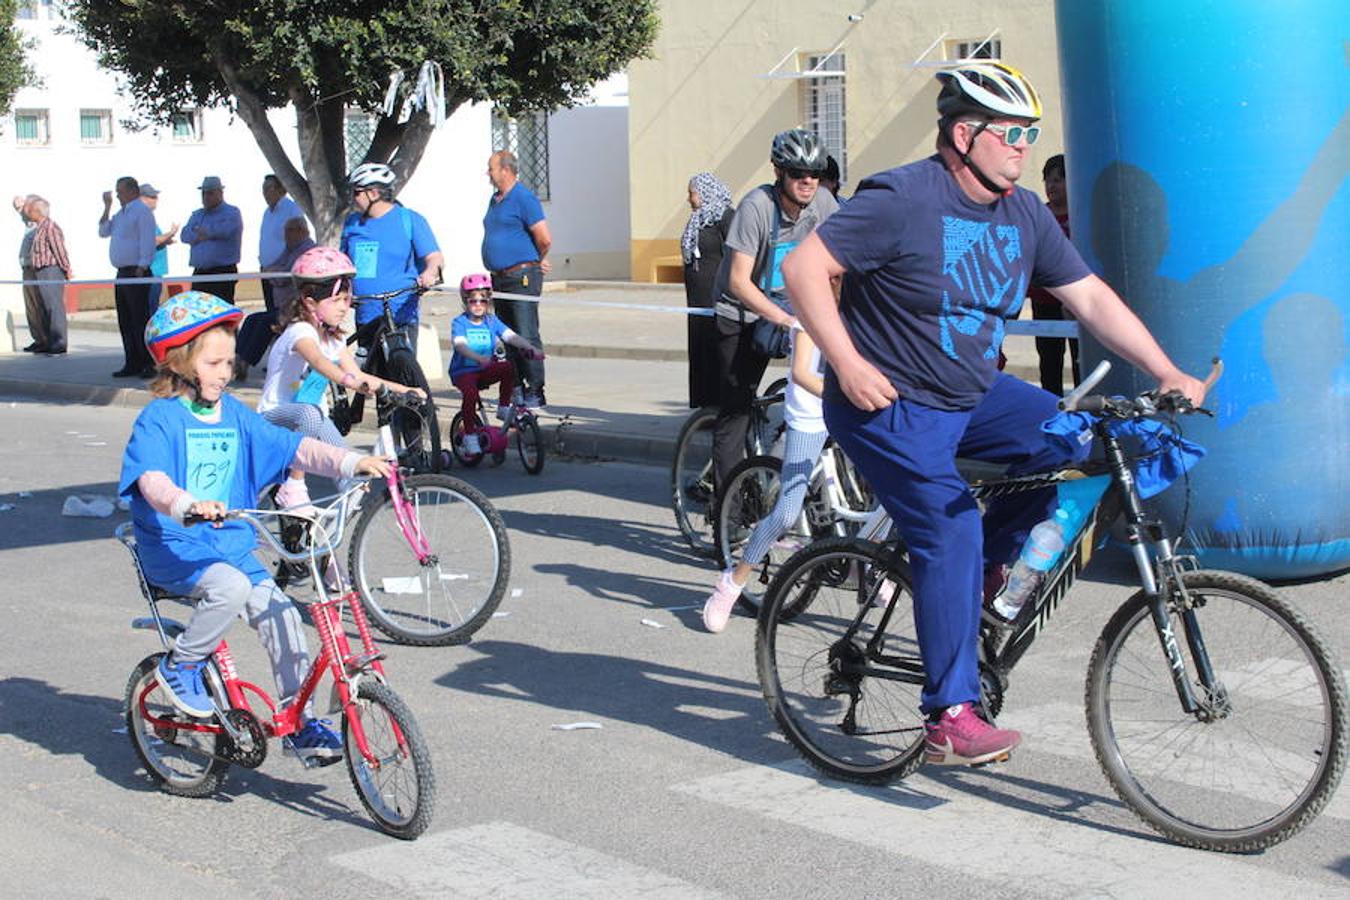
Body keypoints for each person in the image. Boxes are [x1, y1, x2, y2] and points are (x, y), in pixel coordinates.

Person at [783, 62, 1207, 767]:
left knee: (1077, 441)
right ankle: (949, 713)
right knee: (949, 530)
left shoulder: (1024, 213)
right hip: (890, 403)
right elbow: (804, 268)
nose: (1023, 147)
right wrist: (848, 363)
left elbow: (1091, 298)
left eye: (1031, 133)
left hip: (973, 393)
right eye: (1011, 133)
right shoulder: (904, 197)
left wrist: (1165, 371)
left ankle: (982, 573)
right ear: (964, 133)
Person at [118, 290, 392, 762]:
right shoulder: (159, 419)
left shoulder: (236, 416)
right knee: (228, 587)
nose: (225, 373)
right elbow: (152, 481)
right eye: (213, 363)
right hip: (176, 546)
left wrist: (352, 461)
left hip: (230, 544)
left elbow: (292, 448)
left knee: (283, 615)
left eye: (229, 363)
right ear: (180, 363)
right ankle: (181, 665)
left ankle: (299, 725)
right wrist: (186, 504)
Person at [709, 128, 837, 489]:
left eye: (815, 172)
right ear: (779, 172)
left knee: (825, 385)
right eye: (798, 173)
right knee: (736, 412)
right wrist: (783, 318)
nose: (808, 181)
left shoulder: (824, 204)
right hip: (743, 312)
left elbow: (841, 262)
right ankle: (728, 517)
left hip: (792, 308)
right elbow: (738, 281)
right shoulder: (757, 207)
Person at [257, 247, 421, 509]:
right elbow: (319, 362)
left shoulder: (334, 338)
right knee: (310, 413)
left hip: (315, 422)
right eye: (337, 300)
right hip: (276, 418)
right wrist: (349, 382)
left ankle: (321, 542)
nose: (345, 308)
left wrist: (406, 390)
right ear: (310, 302)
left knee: (350, 471)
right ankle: (293, 485)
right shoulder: (300, 332)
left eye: (348, 300)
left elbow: (359, 374)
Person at [702, 323, 826, 632]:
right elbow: (801, 372)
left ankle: (866, 567)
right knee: (786, 514)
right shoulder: (812, 307)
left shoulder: (867, 304)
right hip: (811, 417)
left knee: (890, 494)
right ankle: (732, 583)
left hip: (851, 414)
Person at [340, 162, 443, 352]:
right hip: (366, 314)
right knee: (370, 374)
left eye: (357, 192)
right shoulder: (352, 223)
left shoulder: (409, 219)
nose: (353, 199)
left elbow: (434, 257)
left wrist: (429, 273)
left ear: (373, 193)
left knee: (402, 371)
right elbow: (342, 263)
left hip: (401, 314)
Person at [448, 272, 545, 456]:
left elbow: (510, 336)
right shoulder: (460, 323)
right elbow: (459, 345)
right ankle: (469, 435)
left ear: (489, 301)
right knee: (470, 394)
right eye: (473, 301)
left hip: (484, 369)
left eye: (482, 301)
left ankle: (503, 407)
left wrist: (531, 348)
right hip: (464, 371)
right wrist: (477, 357)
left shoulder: (491, 321)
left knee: (507, 367)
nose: (478, 305)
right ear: (465, 301)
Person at [482, 150, 552, 408]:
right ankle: (515, 386)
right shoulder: (495, 200)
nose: (487, 173)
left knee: (526, 332)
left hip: (521, 276)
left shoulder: (524, 198)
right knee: (507, 334)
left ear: (506, 170)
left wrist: (535, 259)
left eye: (491, 168)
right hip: (499, 278)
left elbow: (544, 238)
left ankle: (535, 388)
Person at [234, 216, 315, 381]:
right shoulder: (290, 249)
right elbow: (271, 268)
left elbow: (281, 277)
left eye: (289, 231)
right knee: (251, 318)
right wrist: (273, 272)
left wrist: (273, 273)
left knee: (266, 323)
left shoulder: (305, 251)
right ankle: (238, 358)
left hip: (298, 309)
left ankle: (247, 361)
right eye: (286, 231)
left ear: (302, 231)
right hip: (283, 306)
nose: (286, 235)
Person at [681, 172, 734, 409]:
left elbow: (735, 255)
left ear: (705, 192)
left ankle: (720, 404)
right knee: (700, 347)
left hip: (716, 297)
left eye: (692, 193)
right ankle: (705, 403)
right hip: (697, 300)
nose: (689, 199)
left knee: (716, 348)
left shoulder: (725, 216)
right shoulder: (697, 219)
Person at [1028, 154, 1079, 394]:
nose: (1052, 186)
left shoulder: (1081, 218)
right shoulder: (1039, 216)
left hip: (1076, 303)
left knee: (1082, 362)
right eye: (1048, 180)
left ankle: (1084, 415)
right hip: (1043, 300)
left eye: (1058, 180)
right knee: (1049, 362)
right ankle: (1050, 411)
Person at [98, 176, 157, 377]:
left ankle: (148, 363)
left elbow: (147, 239)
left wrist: (143, 265)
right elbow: (103, 231)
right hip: (122, 272)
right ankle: (132, 361)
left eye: (120, 191)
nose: (117, 195)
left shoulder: (141, 212)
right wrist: (106, 207)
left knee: (140, 319)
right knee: (126, 320)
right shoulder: (121, 213)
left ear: (132, 191)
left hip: (136, 271)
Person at [18, 195, 70, 356]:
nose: (29, 213)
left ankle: (59, 343)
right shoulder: (39, 227)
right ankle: (48, 341)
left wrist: (66, 268)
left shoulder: (50, 227)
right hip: (40, 271)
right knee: (45, 307)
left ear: (38, 212)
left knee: (54, 307)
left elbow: (59, 250)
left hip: (51, 270)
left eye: (31, 210)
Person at [181, 176, 243, 302]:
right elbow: (185, 235)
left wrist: (206, 232)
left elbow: (226, 230)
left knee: (222, 309)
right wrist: (201, 234)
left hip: (222, 271)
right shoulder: (197, 214)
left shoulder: (232, 212)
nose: (206, 197)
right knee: (199, 309)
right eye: (203, 193)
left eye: (210, 193)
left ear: (220, 193)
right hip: (200, 272)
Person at [259, 175, 304, 312]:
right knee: (270, 312)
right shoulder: (267, 213)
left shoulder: (292, 209)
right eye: (263, 189)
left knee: (284, 312)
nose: (265, 193)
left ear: (281, 189)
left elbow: (297, 241)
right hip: (266, 272)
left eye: (268, 188)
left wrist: (282, 265)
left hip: (282, 272)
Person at [140, 184, 178, 307]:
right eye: (153, 196)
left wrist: (166, 240)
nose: (156, 199)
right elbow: (151, 241)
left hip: (155, 272)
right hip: (150, 273)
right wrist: (170, 233)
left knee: (153, 306)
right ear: (142, 198)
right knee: (149, 310)